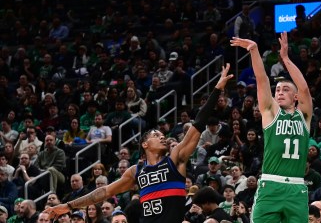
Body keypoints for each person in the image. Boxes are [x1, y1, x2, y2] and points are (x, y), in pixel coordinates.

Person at [44, 64, 233, 223]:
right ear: (144, 144)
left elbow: (198, 123)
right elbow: (103, 192)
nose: (161, 137)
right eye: (156, 134)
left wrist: (216, 90)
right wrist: (68, 205)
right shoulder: (136, 171)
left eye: (162, 134)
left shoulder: (175, 159)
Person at [231, 31, 313, 222]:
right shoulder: (270, 112)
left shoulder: (305, 115)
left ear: (296, 97)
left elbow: (305, 88)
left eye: (285, 89)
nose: (280, 92)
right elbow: (262, 80)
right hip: (271, 184)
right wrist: (254, 51)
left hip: (296, 187)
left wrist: (285, 59)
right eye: (277, 90)